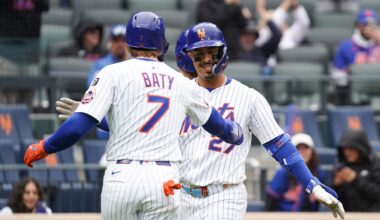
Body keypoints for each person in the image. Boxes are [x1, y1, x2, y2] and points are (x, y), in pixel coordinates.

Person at [23, 11, 244, 219]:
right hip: (163, 180)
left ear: (129, 44)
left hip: (121, 176)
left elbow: (79, 126)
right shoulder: (180, 81)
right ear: (161, 45)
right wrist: (232, 132)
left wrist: (44, 147)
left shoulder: (112, 72)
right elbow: (216, 124)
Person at [177, 22, 344, 219]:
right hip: (182, 196)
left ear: (223, 51)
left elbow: (279, 144)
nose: (206, 59)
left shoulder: (248, 97)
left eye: (211, 51)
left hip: (223, 196)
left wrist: (311, 184)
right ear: (189, 56)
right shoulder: (180, 93)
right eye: (199, 52)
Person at [0, 0, 49, 108]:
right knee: (6, 107)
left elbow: (45, 6)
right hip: (5, 49)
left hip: (31, 52)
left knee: (26, 107)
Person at [86, 24, 128, 139]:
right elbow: (94, 91)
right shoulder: (100, 65)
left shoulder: (135, 65)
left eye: (123, 40)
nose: (120, 44)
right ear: (110, 42)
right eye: (116, 40)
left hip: (129, 128)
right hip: (105, 129)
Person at [331, 9, 380, 105]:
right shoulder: (346, 46)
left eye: (373, 24)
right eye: (365, 24)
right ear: (358, 25)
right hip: (355, 98)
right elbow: (337, 74)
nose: (369, 28)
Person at [266, 133, 325, 211]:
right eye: (298, 148)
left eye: (306, 148)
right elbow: (271, 202)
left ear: (312, 152)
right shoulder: (282, 173)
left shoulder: (318, 173)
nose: (302, 152)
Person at [332, 128, 380, 211]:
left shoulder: (375, 163)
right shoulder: (340, 166)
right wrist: (337, 186)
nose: (347, 152)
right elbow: (336, 202)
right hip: (349, 216)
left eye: (351, 149)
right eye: (345, 149)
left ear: (361, 148)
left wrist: (355, 179)